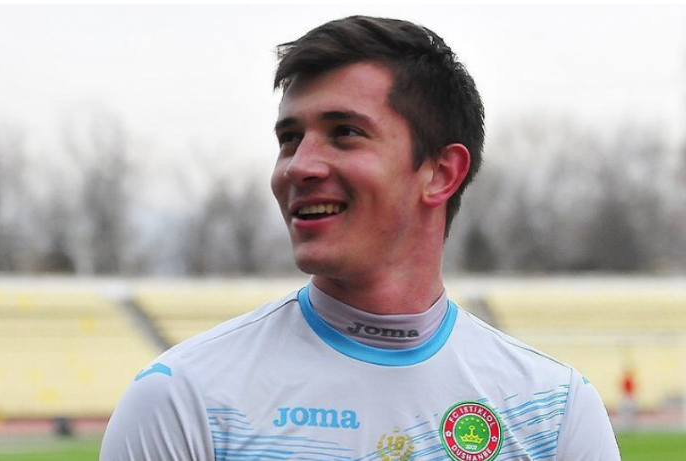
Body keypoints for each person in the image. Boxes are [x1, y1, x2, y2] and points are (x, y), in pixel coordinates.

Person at [100, 16, 621, 461]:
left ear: (441, 173)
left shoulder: (552, 411)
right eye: (289, 139)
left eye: (344, 132)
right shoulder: (183, 399)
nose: (298, 166)